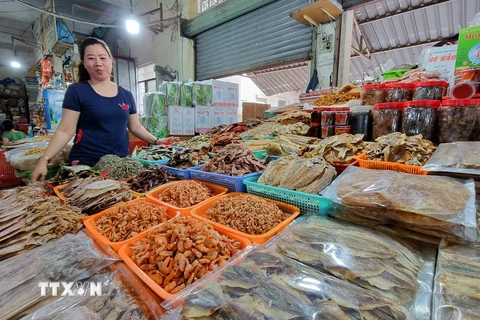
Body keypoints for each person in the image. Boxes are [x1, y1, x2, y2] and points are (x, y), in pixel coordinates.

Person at [31, 38, 179, 181]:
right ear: (83, 63)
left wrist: (157, 141)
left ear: (111, 60)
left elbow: (136, 127)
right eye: (91, 58)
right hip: (86, 164)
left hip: (120, 164)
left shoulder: (126, 95)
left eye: (102, 58)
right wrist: (44, 159)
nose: (98, 63)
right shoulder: (77, 91)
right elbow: (65, 130)